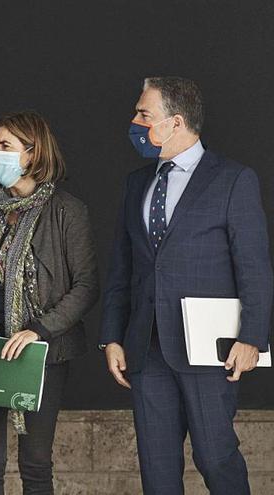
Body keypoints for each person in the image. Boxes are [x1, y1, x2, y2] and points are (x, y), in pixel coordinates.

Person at [99, 76, 273, 495]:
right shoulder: (136, 183)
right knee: (157, 472)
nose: (134, 121)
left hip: (209, 350)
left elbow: (254, 267)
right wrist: (111, 338)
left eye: (144, 114)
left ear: (175, 122)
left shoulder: (233, 179)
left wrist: (252, 338)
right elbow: (122, 267)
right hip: (146, 347)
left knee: (215, 457)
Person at [0, 111, 98, 494]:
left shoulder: (67, 211)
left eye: (5, 146)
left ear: (32, 153)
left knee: (35, 465)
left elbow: (85, 287)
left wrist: (38, 329)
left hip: (41, 351)